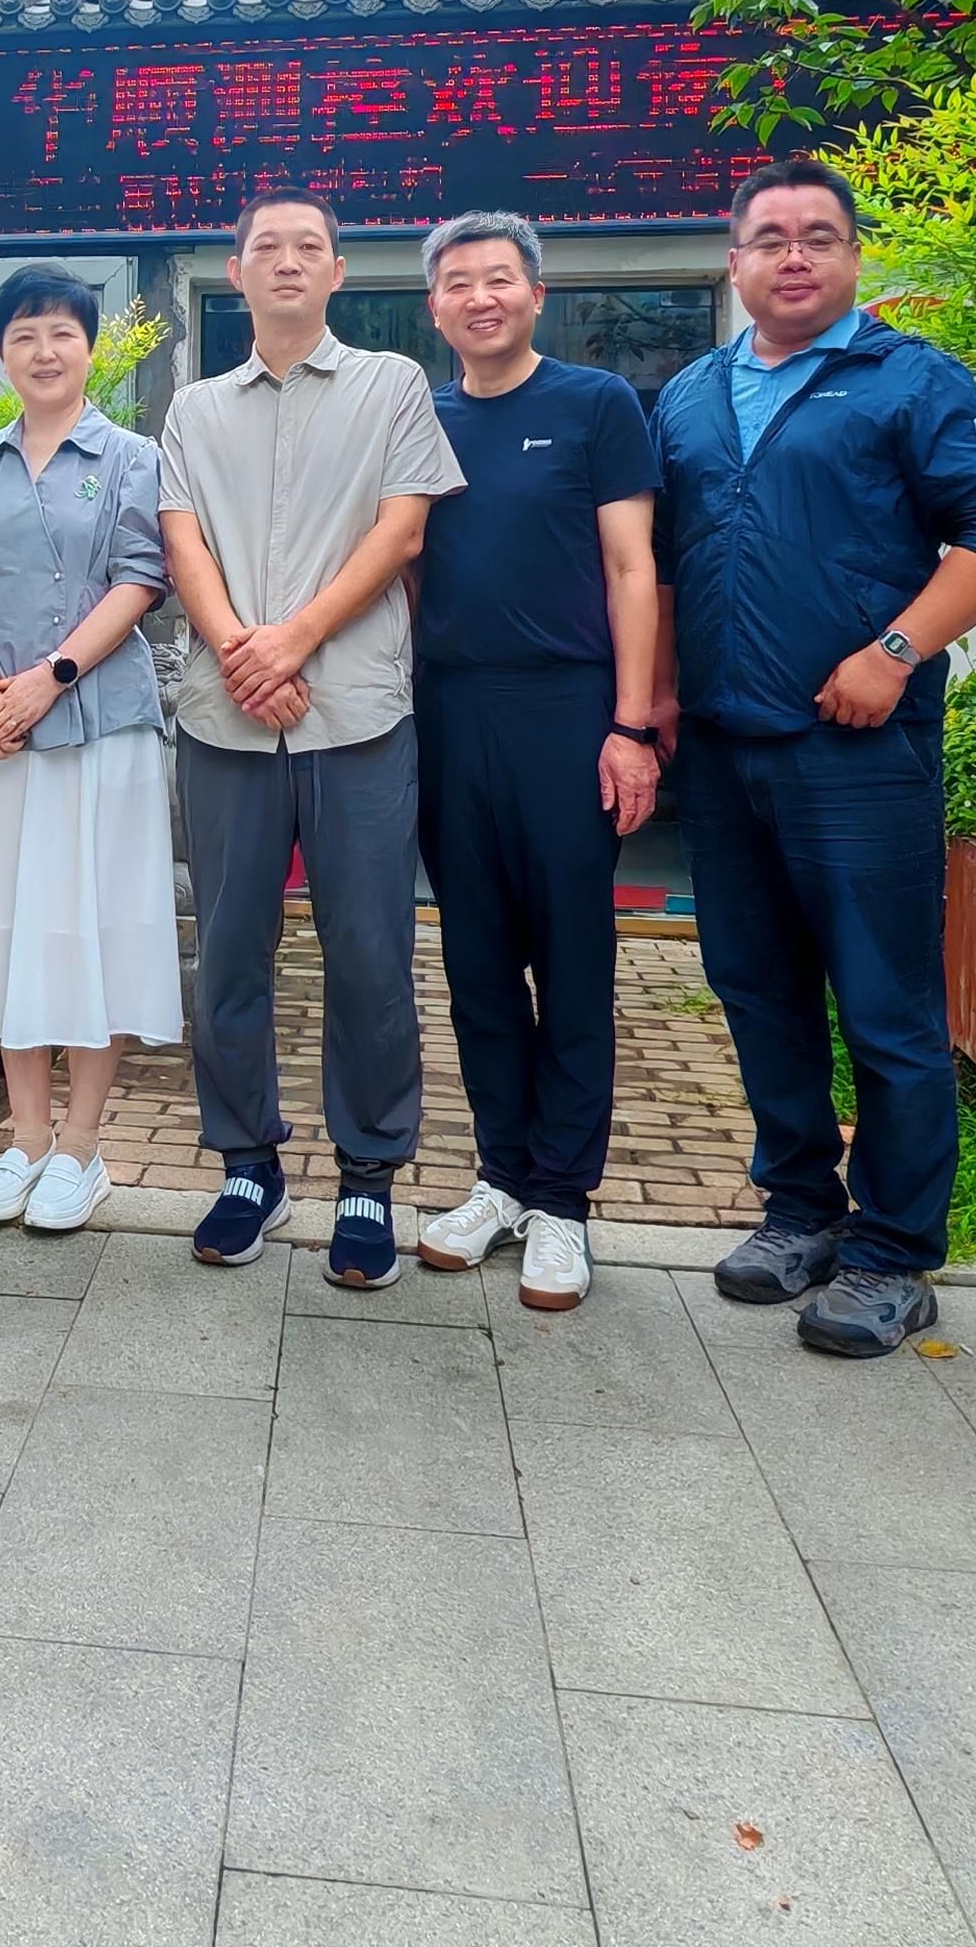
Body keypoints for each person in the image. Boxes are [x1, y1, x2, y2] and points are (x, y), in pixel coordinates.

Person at [652, 155, 976, 1358]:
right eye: (769, 238)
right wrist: (657, 696)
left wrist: (895, 649)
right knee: (757, 991)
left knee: (882, 1002)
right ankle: (800, 1210)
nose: (793, 256)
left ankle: (893, 1251)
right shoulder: (690, 395)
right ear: (734, 262)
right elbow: (662, 564)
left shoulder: (909, 378)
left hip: (858, 750)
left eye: (817, 236)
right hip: (724, 746)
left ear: (853, 256)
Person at [158, 190, 465, 1288]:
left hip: (356, 715)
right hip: (226, 717)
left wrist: (292, 642)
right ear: (235, 272)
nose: (287, 261)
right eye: (266, 247)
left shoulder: (392, 386)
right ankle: (248, 1165)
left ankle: (369, 1175)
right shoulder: (194, 408)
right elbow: (182, 540)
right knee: (228, 953)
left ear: (338, 271)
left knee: (371, 955)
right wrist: (242, 652)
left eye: (309, 247)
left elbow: (403, 528)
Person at [408, 213, 663, 1314]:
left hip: (568, 711)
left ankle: (564, 1200)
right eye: (459, 282)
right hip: (447, 712)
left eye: (500, 279)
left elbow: (631, 568)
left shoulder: (596, 405)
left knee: (571, 960)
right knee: (474, 965)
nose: (481, 297)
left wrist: (633, 725)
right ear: (434, 306)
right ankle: (502, 1178)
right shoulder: (421, 418)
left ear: (536, 294)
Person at [0, 264, 179, 1237]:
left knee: (90, 928)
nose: (43, 350)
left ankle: (80, 1147)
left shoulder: (131, 458)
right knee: (6, 925)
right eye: (24, 334)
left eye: (62, 332)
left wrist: (49, 678)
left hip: (96, 727)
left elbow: (140, 577)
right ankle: (24, 1140)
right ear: (1, 353)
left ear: (90, 348)